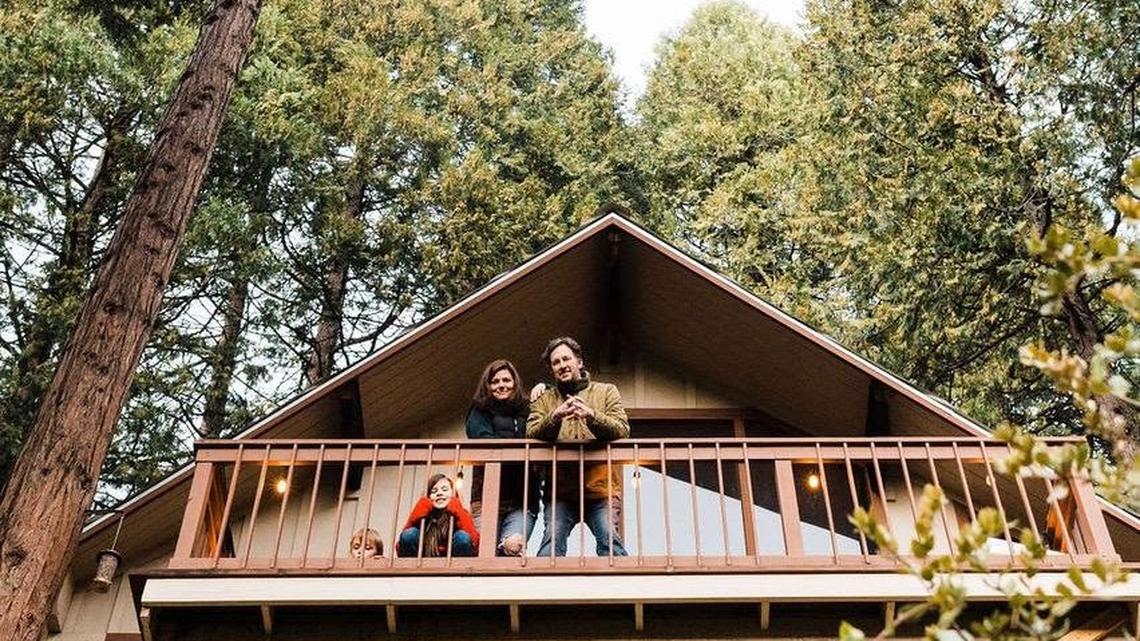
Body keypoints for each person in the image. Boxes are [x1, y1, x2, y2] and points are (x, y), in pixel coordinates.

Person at [527, 336, 629, 557]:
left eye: (566, 359)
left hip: (601, 488)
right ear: (552, 369)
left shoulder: (606, 391)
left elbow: (622, 429)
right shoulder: (544, 398)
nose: (562, 365)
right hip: (560, 491)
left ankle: (624, 587)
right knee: (551, 541)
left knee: (609, 540)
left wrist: (592, 416)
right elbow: (532, 433)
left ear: (579, 362)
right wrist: (555, 416)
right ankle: (541, 589)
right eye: (556, 362)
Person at [466, 359, 541, 556]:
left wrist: (545, 387)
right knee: (485, 553)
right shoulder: (479, 410)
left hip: (522, 498)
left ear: (515, 383)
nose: (501, 385)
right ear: (488, 386)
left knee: (513, 547)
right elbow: (482, 441)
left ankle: (504, 550)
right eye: (495, 381)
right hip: (486, 497)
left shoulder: (528, 409)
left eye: (506, 380)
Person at [397, 474, 479, 557]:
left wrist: (459, 510)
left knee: (462, 537)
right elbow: (400, 546)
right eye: (434, 491)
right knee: (410, 534)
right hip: (424, 562)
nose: (439, 493)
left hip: (453, 564)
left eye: (444, 490)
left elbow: (474, 544)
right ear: (428, 497)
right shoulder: (423, 514)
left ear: (453, 494)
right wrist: (415, 515)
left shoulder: (460, 513)